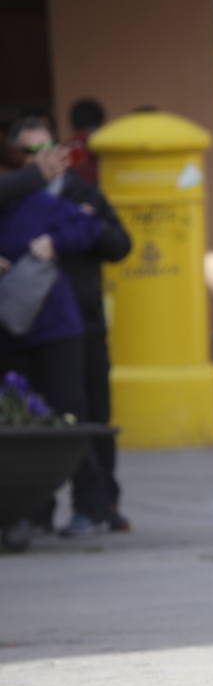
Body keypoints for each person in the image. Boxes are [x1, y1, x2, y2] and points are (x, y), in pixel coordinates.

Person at [10, 115, 132, 536]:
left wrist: (73, 234)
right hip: (24, 328)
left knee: (87, 417)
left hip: (82, 322)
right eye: (30, 152)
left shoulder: (82, 194)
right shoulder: (13, 198)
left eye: (48, 149)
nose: (42, 160)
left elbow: (119, 244)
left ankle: (98, 506)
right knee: (32, 418)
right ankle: (34, 510)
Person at [0, 152, 105, 534]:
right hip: (11, 335)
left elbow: (89, 227)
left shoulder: (35, 204)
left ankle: (89, 507)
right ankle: (32, 512)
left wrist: (54, 241)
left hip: (56, 331)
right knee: (23, 424)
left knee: (70, 416)